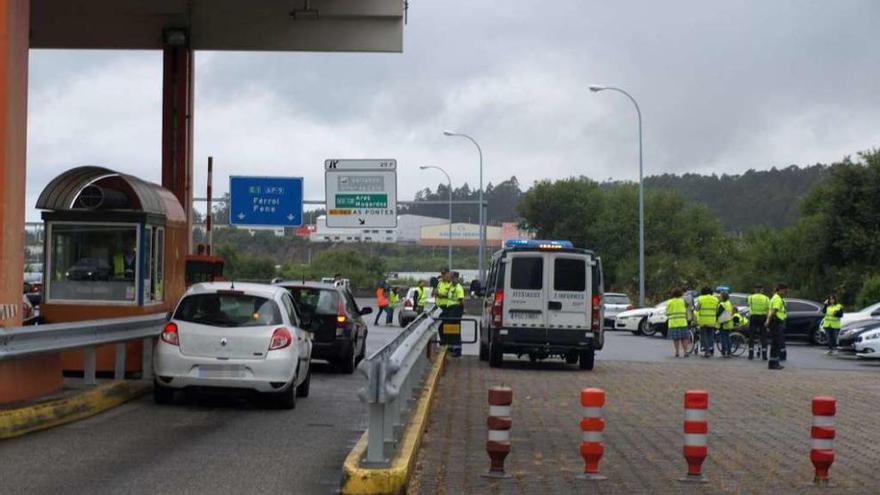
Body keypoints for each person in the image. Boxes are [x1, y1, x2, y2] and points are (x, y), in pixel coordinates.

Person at [766, 283, 788, 370]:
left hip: (776, 322)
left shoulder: (776, 298)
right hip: (776, 322)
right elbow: (774, 311)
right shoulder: (777, 299)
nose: (786, 292)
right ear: (780, 290)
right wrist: (768, 321)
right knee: (776, 344)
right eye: (785, 291)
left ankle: (774, 362)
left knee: (775, 343)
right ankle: (773, 364)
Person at [694, 287, 720, 358]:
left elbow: (697, 309)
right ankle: (711, 348)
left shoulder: (701, 299)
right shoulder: (716, 299)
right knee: (711, 335)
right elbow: (717, 310)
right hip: (712, 320)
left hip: (703, 320)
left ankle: (706, 350)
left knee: (704, 335)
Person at [747, 284, 771, 360]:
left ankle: (751, 354)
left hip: (753, 317)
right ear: (762, 290)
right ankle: (764, 355)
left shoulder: (750, 297)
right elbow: (768, 309)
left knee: (752, 336)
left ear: (755, 290)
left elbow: (749, 305)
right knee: (763, 337)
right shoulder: (766, 298)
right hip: (763, 317)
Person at [666, 288, 691, 358]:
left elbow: (667, 313)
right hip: (683, 322)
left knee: (676, 339)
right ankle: (685, 352)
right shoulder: (683, 301)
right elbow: (687, 309)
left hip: (673, 323)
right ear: (681, 294)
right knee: (685, 338)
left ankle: (677, 352)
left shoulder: (669, 302)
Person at [717, 292, 737, 358]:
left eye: (720, 296)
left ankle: (724, 352)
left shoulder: (722, 304)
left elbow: (718, 313)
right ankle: (729, 352)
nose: (719, 297)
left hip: (723, 323)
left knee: (723, 338)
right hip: (729, 323)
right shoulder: (729, 303)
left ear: (723, 297)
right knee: (728, 338)